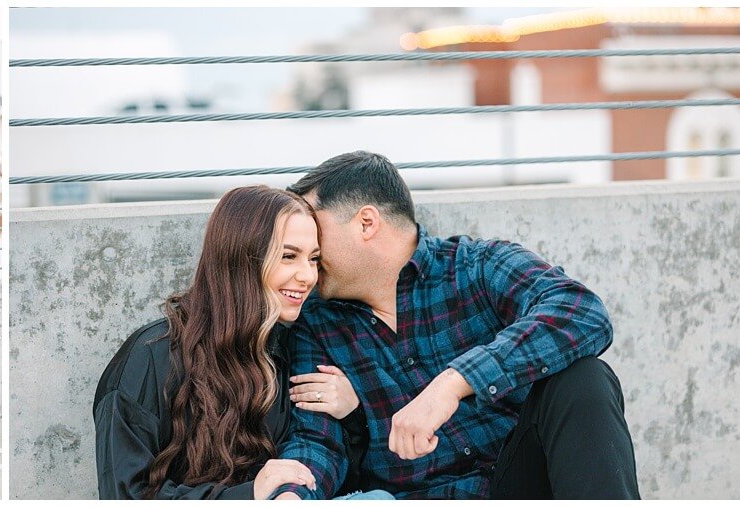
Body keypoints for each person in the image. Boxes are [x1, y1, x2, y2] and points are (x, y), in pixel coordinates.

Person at [271, 151, 639, 499]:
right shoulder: (315, 323)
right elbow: (317, 441)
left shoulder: (476, 266)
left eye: (315, 228)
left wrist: (452, 384)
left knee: (584, 377)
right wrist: (292, 492)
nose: (308, 249)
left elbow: (582, 312)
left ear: (366, 223)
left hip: (521, 483)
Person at [93, 185, 393, 500]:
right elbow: (123, 494)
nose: (307, 276)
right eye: (288, 256)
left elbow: (330, 467)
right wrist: (249, 494)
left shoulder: (292, 345)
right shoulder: (149, 359)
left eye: (314, 259)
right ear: (241, 258)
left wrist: (354, 416)